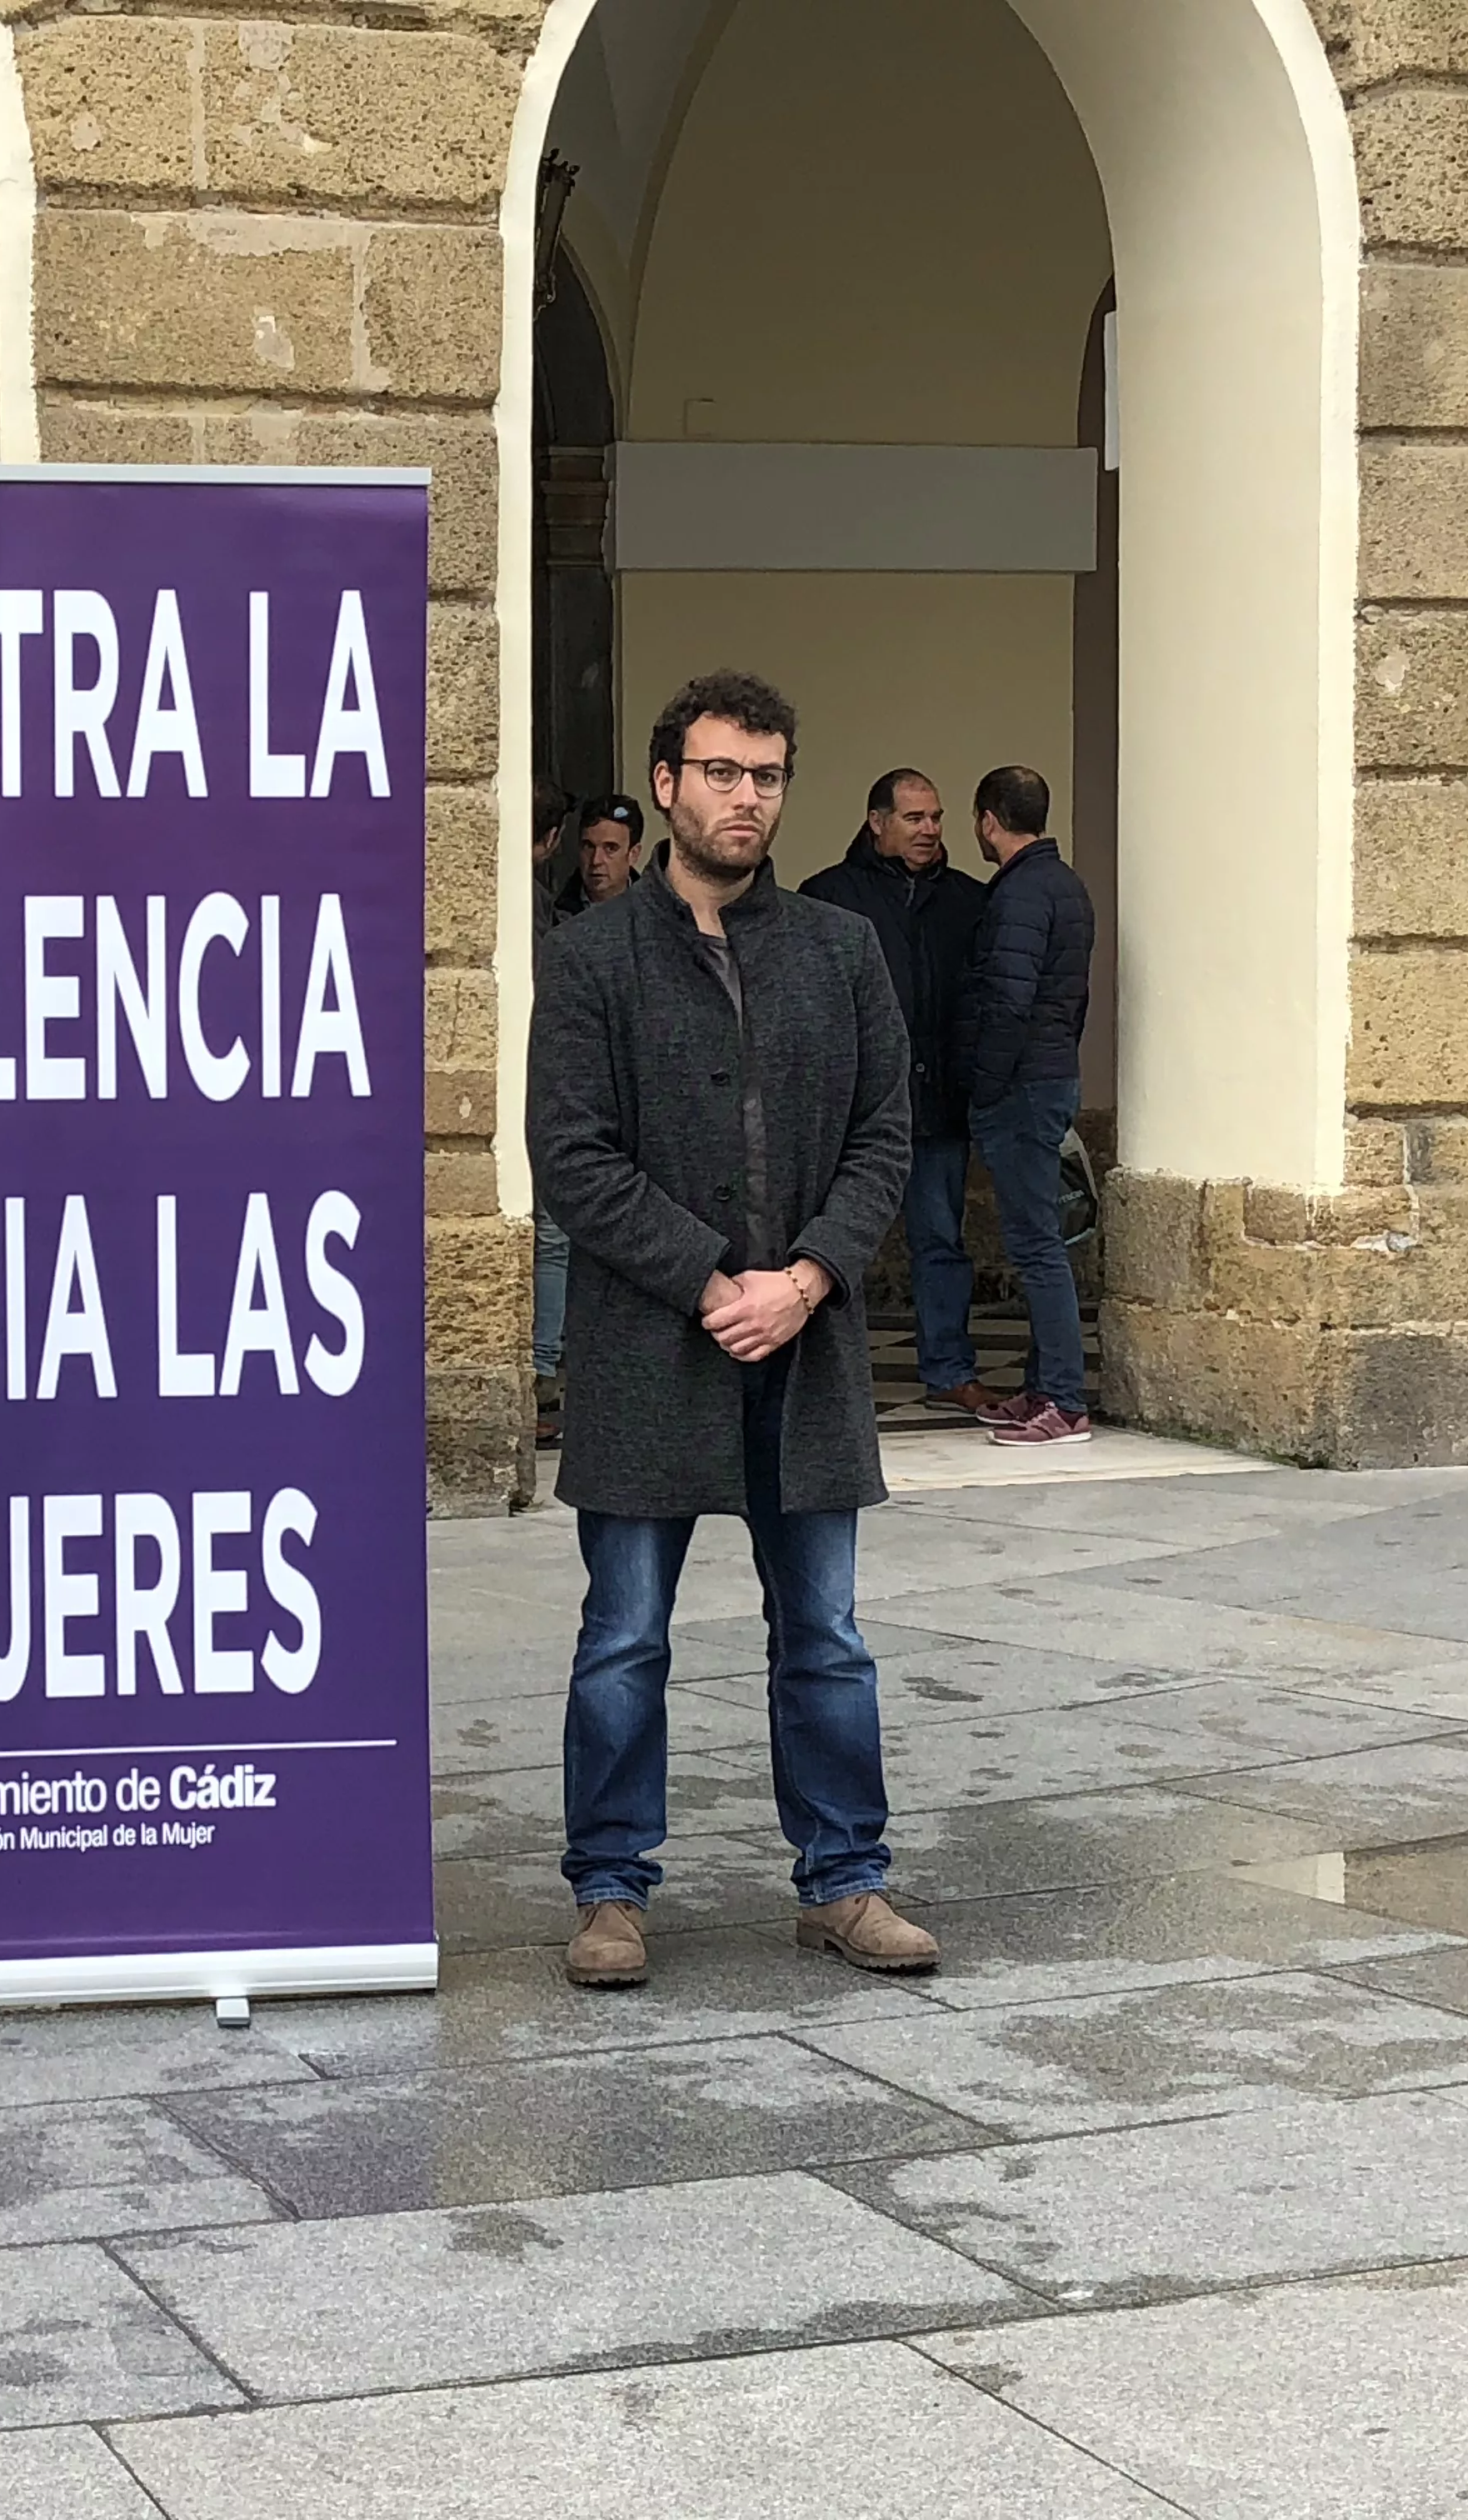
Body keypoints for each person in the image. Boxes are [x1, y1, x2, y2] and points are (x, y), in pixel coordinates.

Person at [530, 668, 934, 1991]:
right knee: (625, 1635)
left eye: (765, 776)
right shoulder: (592, 959)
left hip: (803, 1354)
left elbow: (885, 1136)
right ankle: (610, 1888)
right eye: (719, 772)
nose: (744, 798)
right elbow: (572, 1160)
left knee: (825, 1635)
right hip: (656, 1353)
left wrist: (806, 1280)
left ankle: (845, 1880)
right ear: (666, 785)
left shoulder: (838, 949)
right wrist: (714, 1281)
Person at [796, 769, 1002, 1422]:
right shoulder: (827, 899)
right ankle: (826, 1382)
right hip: (855, 1111)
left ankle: (950, 1369)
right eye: (914, 818)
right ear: (877, 822)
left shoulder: (970, 902)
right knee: (834, 1243)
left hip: (939, 1105)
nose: (930, 830)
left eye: (937, 817)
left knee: (941, 1240)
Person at [956, 764, 1096, 1447]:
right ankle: (1045, 1387)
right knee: (1046, 1241)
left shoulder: (1017, 896)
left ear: (988, 819)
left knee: (1038, 1246)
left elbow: (1007, 1002)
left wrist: (983, 1083)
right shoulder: (1064, 886)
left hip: (1022, 1088)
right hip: (1051, 1075)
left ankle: (1064, 1402)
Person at [534, 792, 650, 1443]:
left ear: (634, 853)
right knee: (557, 1235)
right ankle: (547, 1368)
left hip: (638, 1102)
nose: (596, 861)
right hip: (576, 1101)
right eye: (588, 847)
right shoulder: (558, 919)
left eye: (611, 849)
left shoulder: (657, 922)